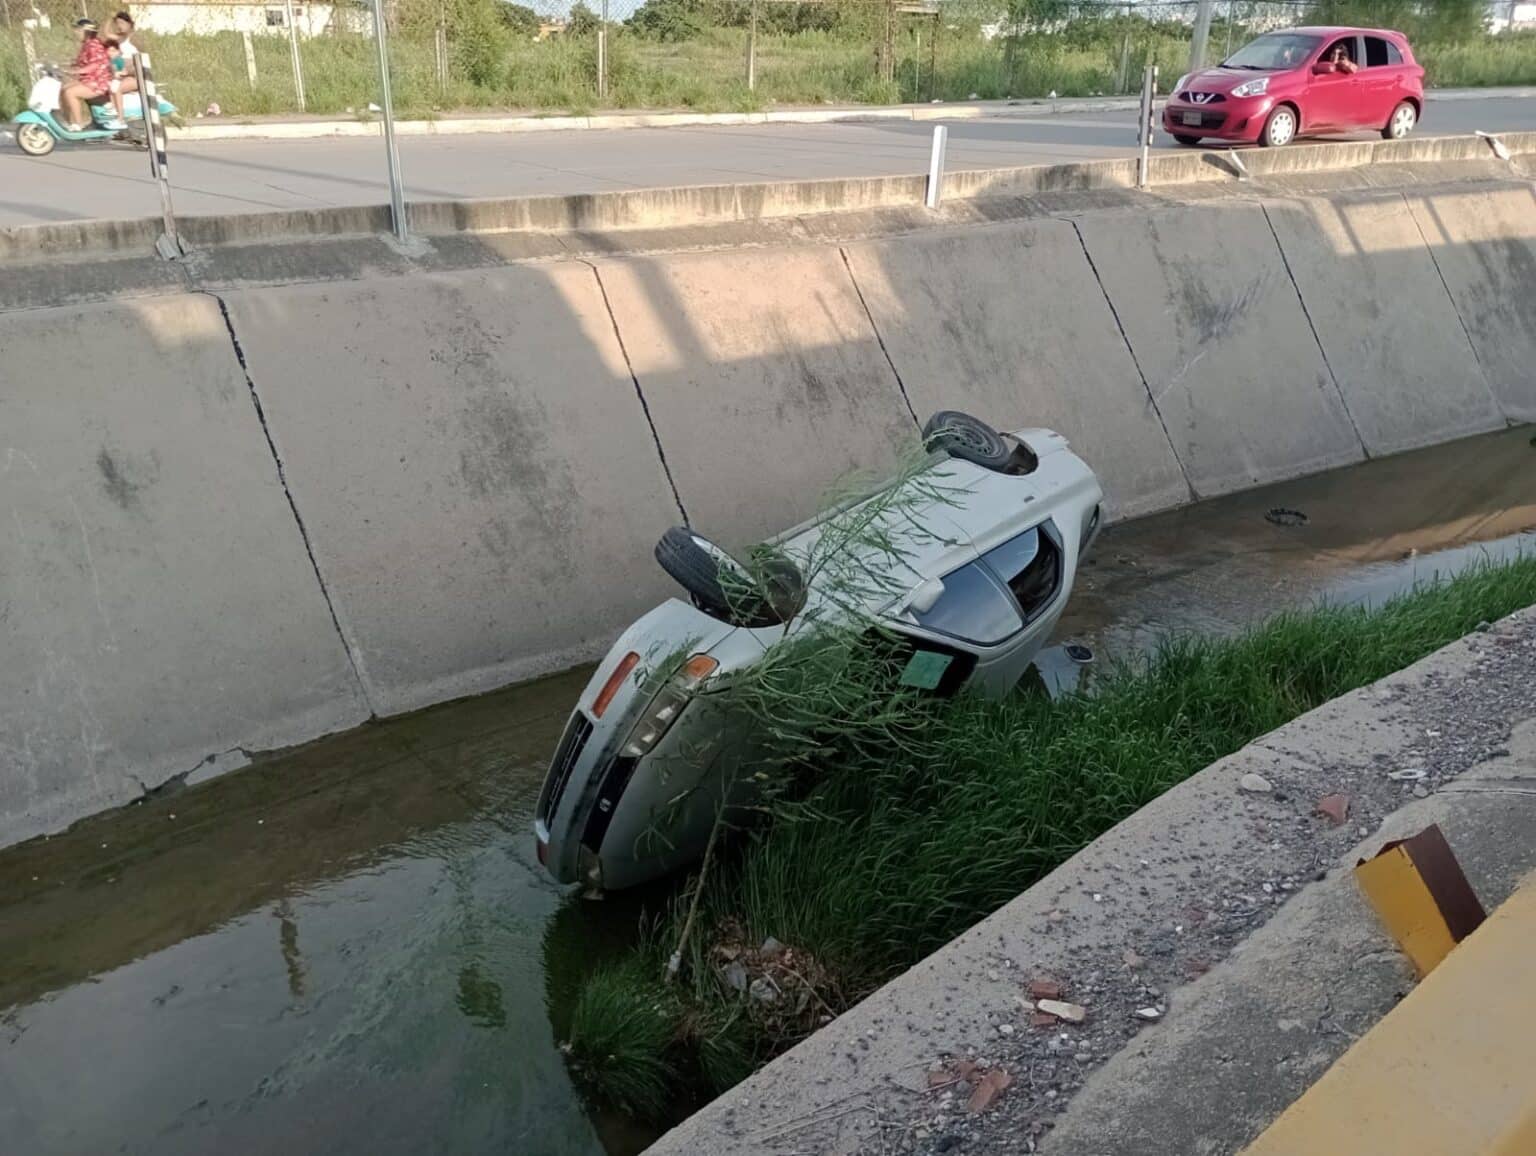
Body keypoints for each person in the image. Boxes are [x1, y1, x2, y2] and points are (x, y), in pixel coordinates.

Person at [61, 18, 123, 132]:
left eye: (79, 30)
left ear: (87, 32)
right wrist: (63, 65)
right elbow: (82, 61)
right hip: (90, 80)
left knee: (70, 92)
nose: (76, 33)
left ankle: (77, 124)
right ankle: (67, 121)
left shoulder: (94, 45)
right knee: (64, 88)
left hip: (99, 82)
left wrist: (77, 71)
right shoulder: (87, 44)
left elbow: (95, 64)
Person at [105, 11, 140, 125]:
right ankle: (112, 111)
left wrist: (126, 71)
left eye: (122, 23)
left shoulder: (131, 37)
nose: (119, 26)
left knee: (117, 88)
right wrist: (110, 19)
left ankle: (120, 118)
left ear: (129, 24)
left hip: (135, 74)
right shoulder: (120, 38)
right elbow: (107, 33)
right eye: (118, 23)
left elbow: (134, 64)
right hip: (123, 72)